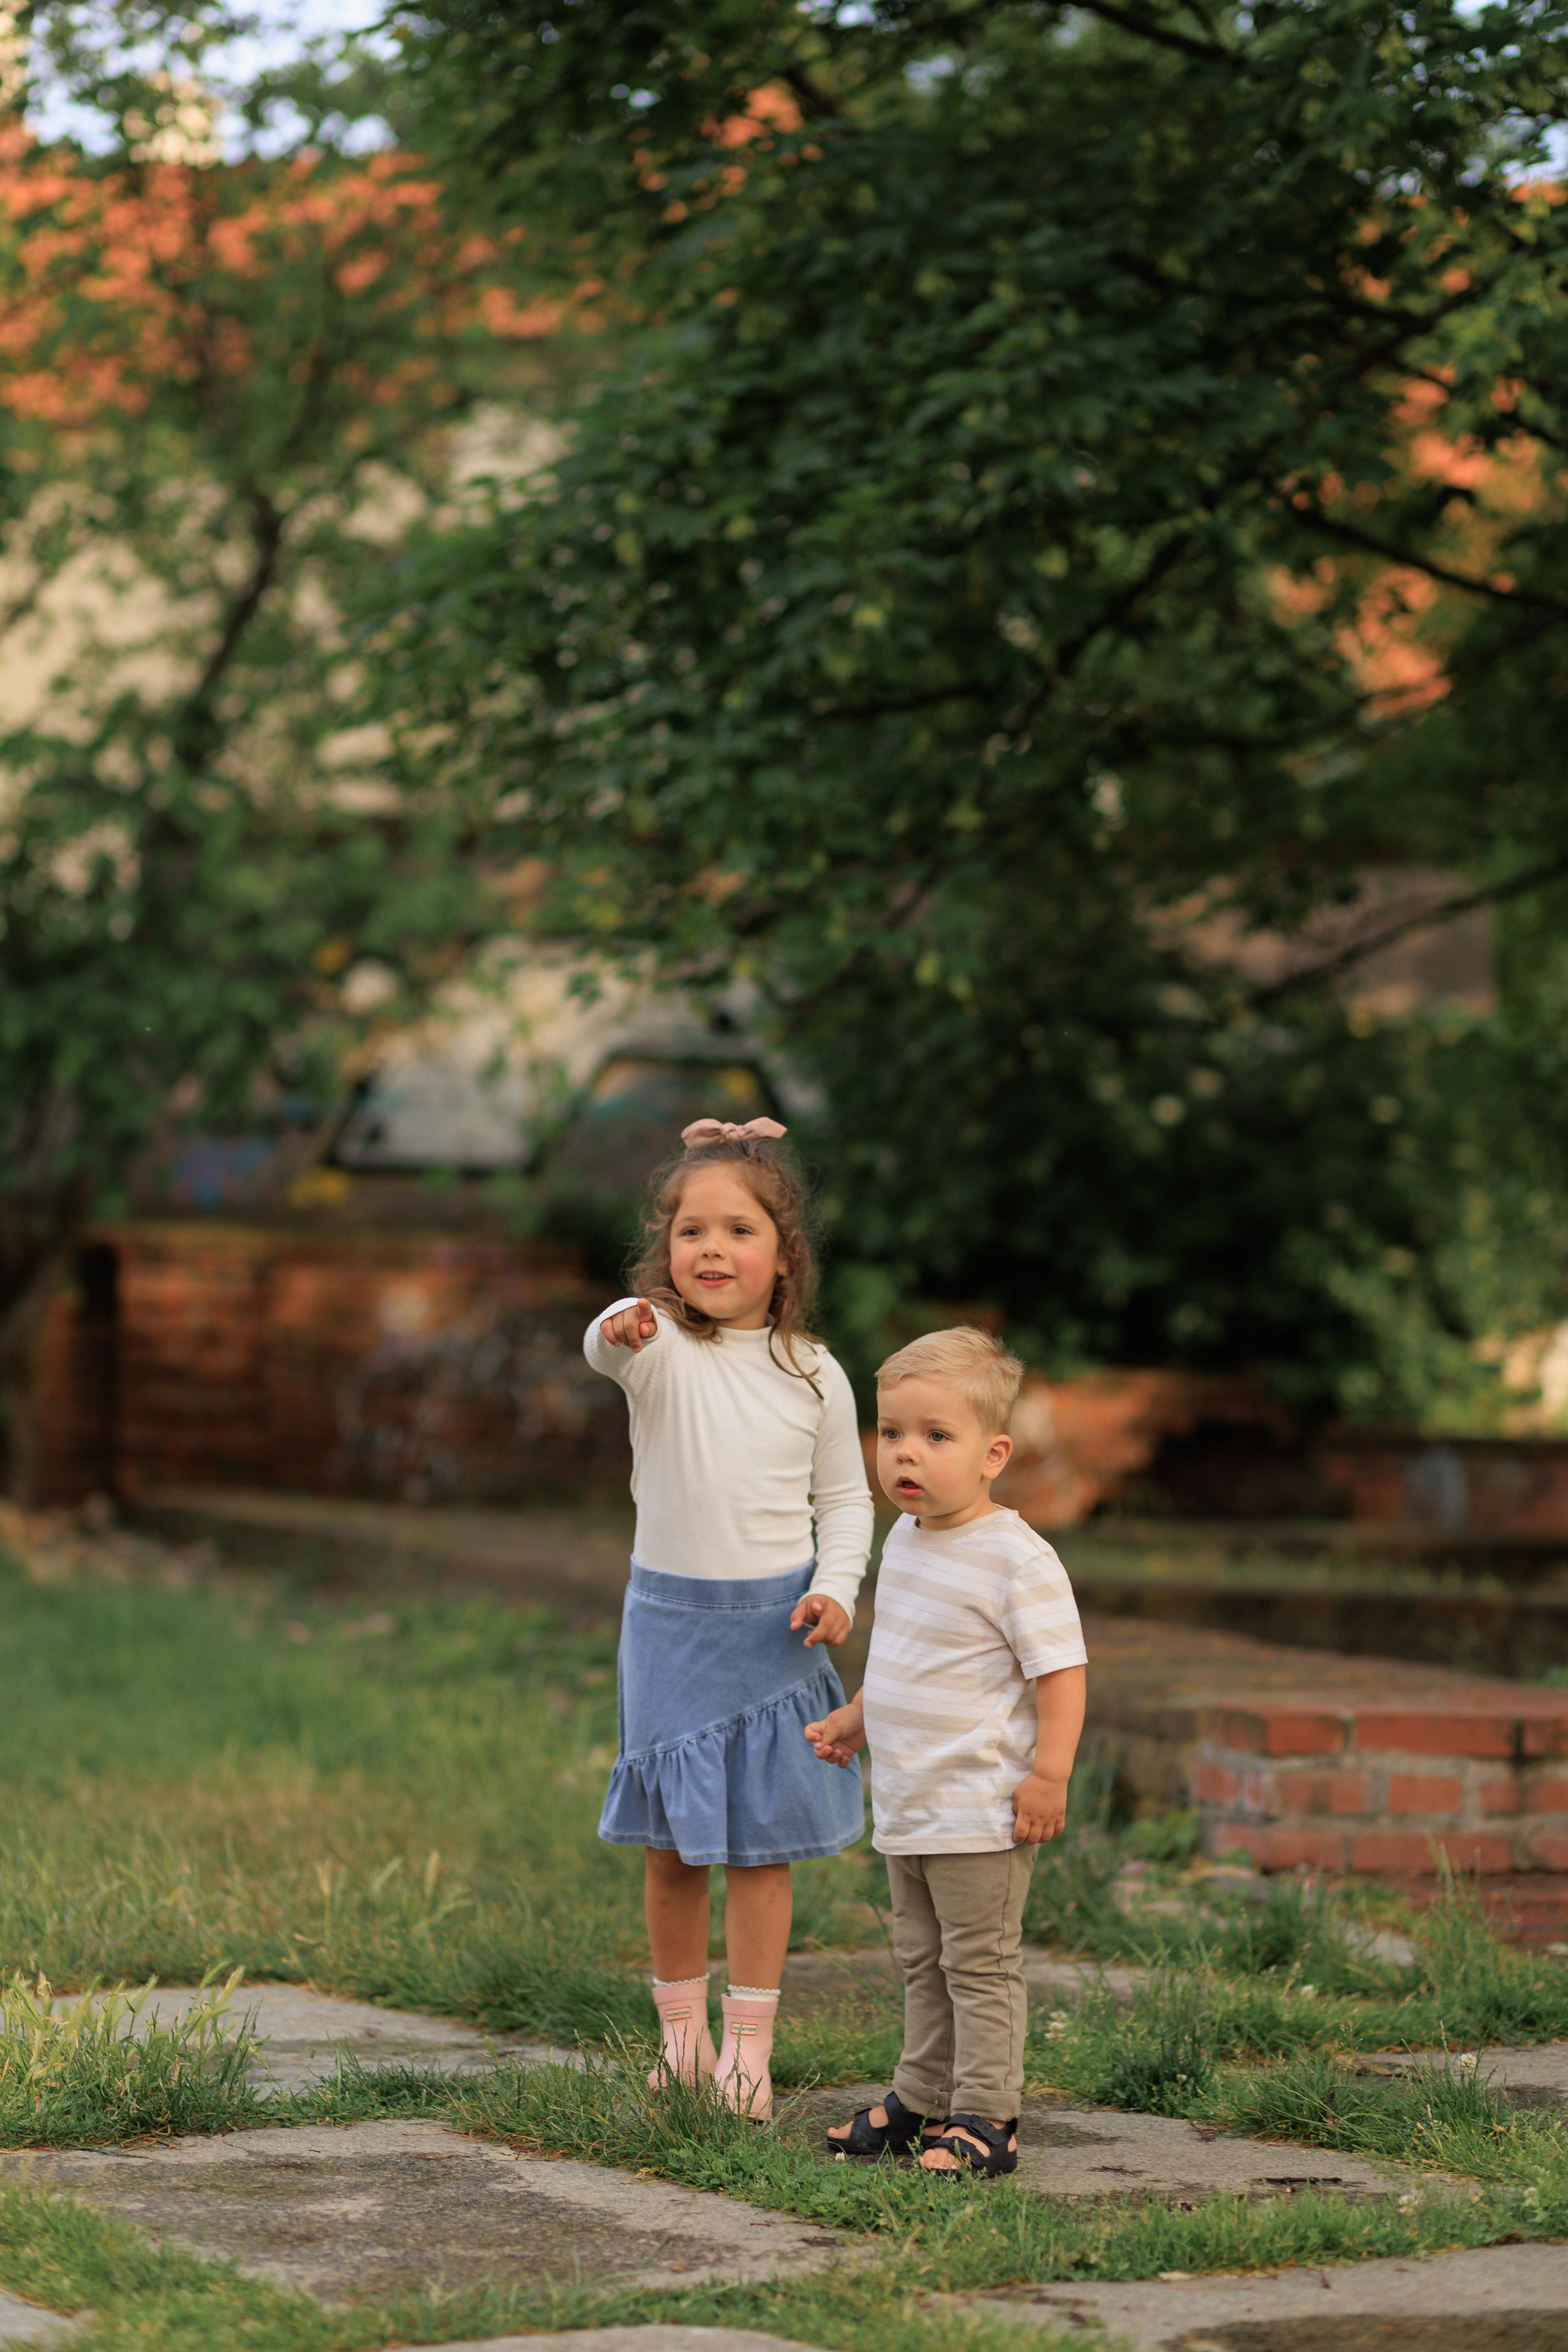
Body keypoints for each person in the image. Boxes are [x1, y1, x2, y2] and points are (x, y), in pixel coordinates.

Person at [585, 1115, 873, 2121]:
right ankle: (681, 2040)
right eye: (691, 1230)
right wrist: (621, 1318)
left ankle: (750, 2047)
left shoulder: (815, 1374)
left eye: (740, 1230)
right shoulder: (656, 1348)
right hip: (671, 1630)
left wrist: (836, 1588)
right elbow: (606, 1341)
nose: (713, 1248)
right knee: (673, 1850)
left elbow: (846, 1501)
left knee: (762, 1847)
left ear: (784, 1255)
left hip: (774, 1635)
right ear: (666, 1254)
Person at [805, 1325, 1087, 2179]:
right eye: (892, 1433)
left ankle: (987, 2115)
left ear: (994, 1452)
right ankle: (918, 2095)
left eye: (936, 1436)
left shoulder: (1013, 1557)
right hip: (910, 1802)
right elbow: (906, 1654)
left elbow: (1062, 1673)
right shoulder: (910, 1541)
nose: (905, 1455)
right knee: (920, 1961)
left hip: (979, 1805)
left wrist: (1050, 1774)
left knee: (979, 1966)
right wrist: (859, 1714)